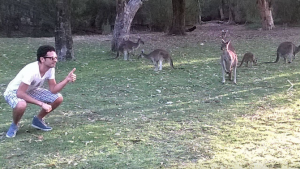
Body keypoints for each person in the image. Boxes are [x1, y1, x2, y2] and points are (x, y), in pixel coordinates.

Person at [3, 45, 76, 138]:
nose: (55, 60)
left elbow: (53, 90)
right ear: (42, 59)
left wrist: (66, 80)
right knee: (21, 104)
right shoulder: (32, 70)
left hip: (31, 90)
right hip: (14, 91)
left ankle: (38, 120)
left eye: (56, 57)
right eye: (52, 58)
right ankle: (14, 125)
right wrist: (41, 104)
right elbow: (20, 93)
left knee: (58, 97)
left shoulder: (50, 68)